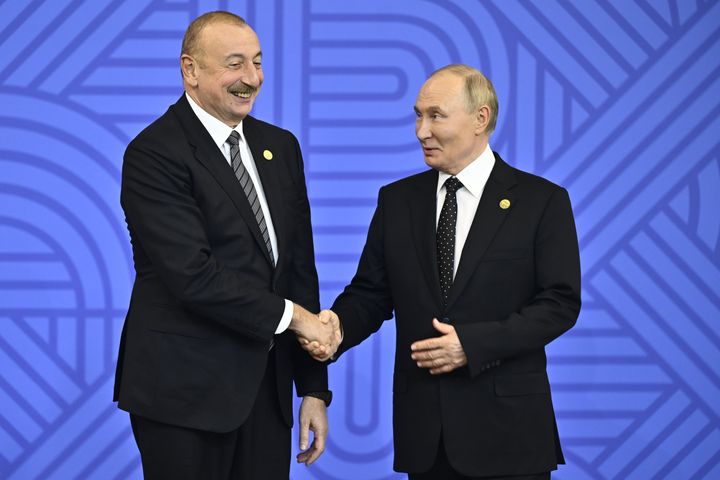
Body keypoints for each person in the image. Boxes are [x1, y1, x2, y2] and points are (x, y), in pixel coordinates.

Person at [309, 65, 581, 479]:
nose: (421, 130)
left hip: (510, 436)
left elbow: (559, 303)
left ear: (480, 119)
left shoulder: (541, 201)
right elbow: (371, 293)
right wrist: (336, 328)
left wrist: (471, 344)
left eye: (436, 115)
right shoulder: (397, 201)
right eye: (418, 115)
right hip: (426, 437)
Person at [113, 11, 337, 480]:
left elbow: (298, 269)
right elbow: (193, 275)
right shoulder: (154, 153)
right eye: (235, 64)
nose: (251, 79)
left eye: (257, 63)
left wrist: (313, 388)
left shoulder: (281, 147)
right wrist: (298, 319)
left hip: (266, 392)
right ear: (190, 70)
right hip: (185, 395)